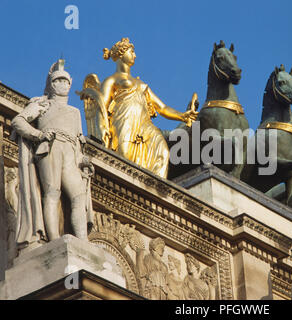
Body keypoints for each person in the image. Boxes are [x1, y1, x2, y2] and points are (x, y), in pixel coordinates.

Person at [78, 38, 198, 178]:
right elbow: (101, 107)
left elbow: (162, 107)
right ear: (122, 53)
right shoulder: (111, 80)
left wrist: (182, 116)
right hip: (124, 120)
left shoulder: (141, 84)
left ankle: (156, 195)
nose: (135, 55)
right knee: (124, 159)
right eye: (132, 51)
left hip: (145, 124)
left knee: (162, 152)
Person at [11, 59, 93, 248]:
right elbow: (18, 121)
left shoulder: (74, 112)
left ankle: (82, 240)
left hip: (70, 152)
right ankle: (54, 239)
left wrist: (83, 160)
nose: (63, 85)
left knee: (78, 196)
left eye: (66, 82)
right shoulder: (43, 105)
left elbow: (78, 141)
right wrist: (38, 134)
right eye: (59, 81)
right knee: (52, 192)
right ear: (52, 84)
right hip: (51, 147)